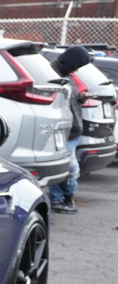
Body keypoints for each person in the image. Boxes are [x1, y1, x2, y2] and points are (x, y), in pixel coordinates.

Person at [48, 45, 91, 214]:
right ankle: (63, 198)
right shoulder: (52, 75)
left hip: (73, 131)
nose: (77, 69)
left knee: (66, 167)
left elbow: (69, 99)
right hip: (62, 131)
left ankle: (62, 199)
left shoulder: (67, 75)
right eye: (78, 64)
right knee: (70, 168)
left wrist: (80, 97)